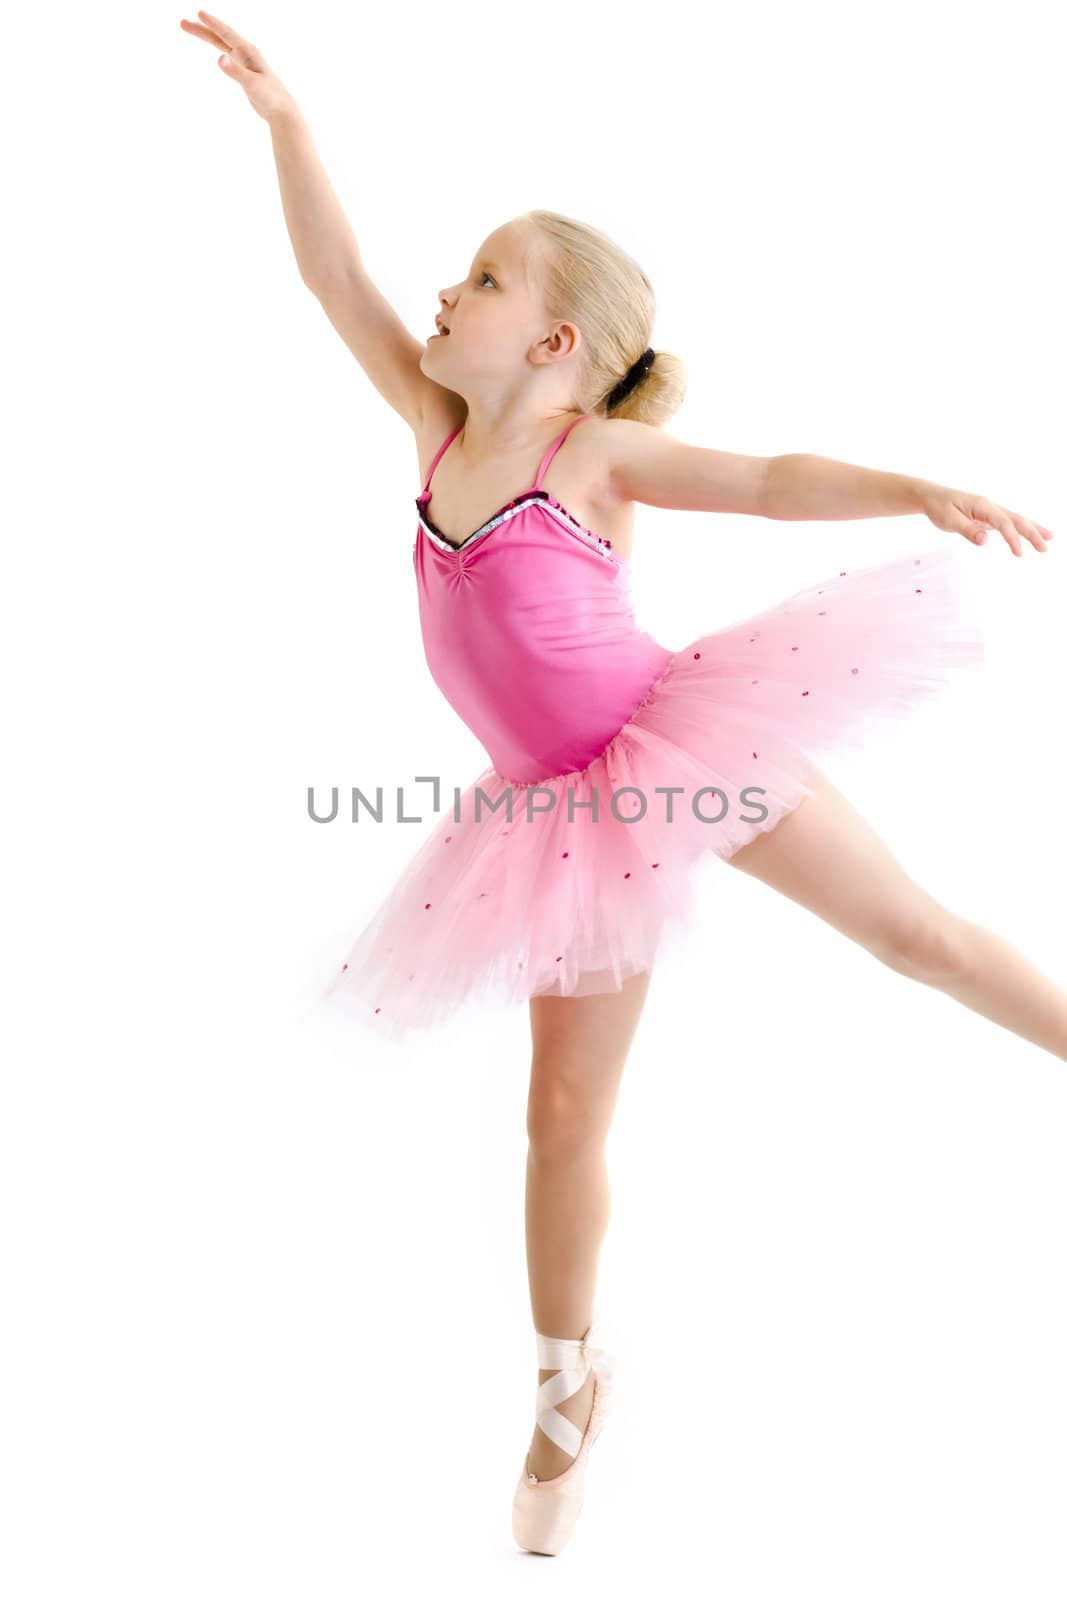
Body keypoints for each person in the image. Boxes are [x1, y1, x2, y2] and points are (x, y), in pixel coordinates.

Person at [182, 10, 1062, 1556]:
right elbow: (334, 281)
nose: (446, 289)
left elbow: (770, 478)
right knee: (562, 1113)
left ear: (556, 345)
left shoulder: (588, 455)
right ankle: (566, 1387)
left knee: (911, 936)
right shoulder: (437, 422)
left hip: (675, 747)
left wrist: (913, 482)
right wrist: (285, 122)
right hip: (553, 818)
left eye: (486, 275)